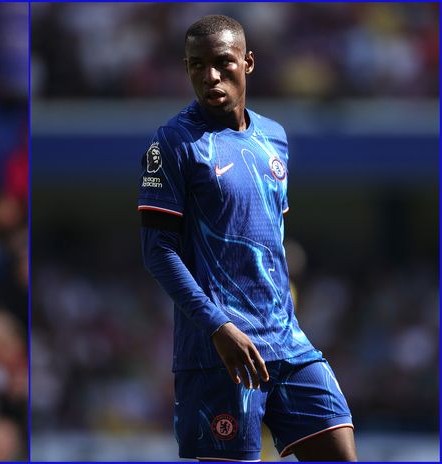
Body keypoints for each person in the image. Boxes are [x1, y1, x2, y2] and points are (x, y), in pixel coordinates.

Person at [139, 15, 357, 462]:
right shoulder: (171, 145)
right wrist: (217, 326)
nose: (210, 76)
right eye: (196, 65)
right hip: (220, 352)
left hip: (288, 343)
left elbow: (270, 237)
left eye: (222, 62)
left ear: (249, 62)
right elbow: (158, 251)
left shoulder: (274, 138)